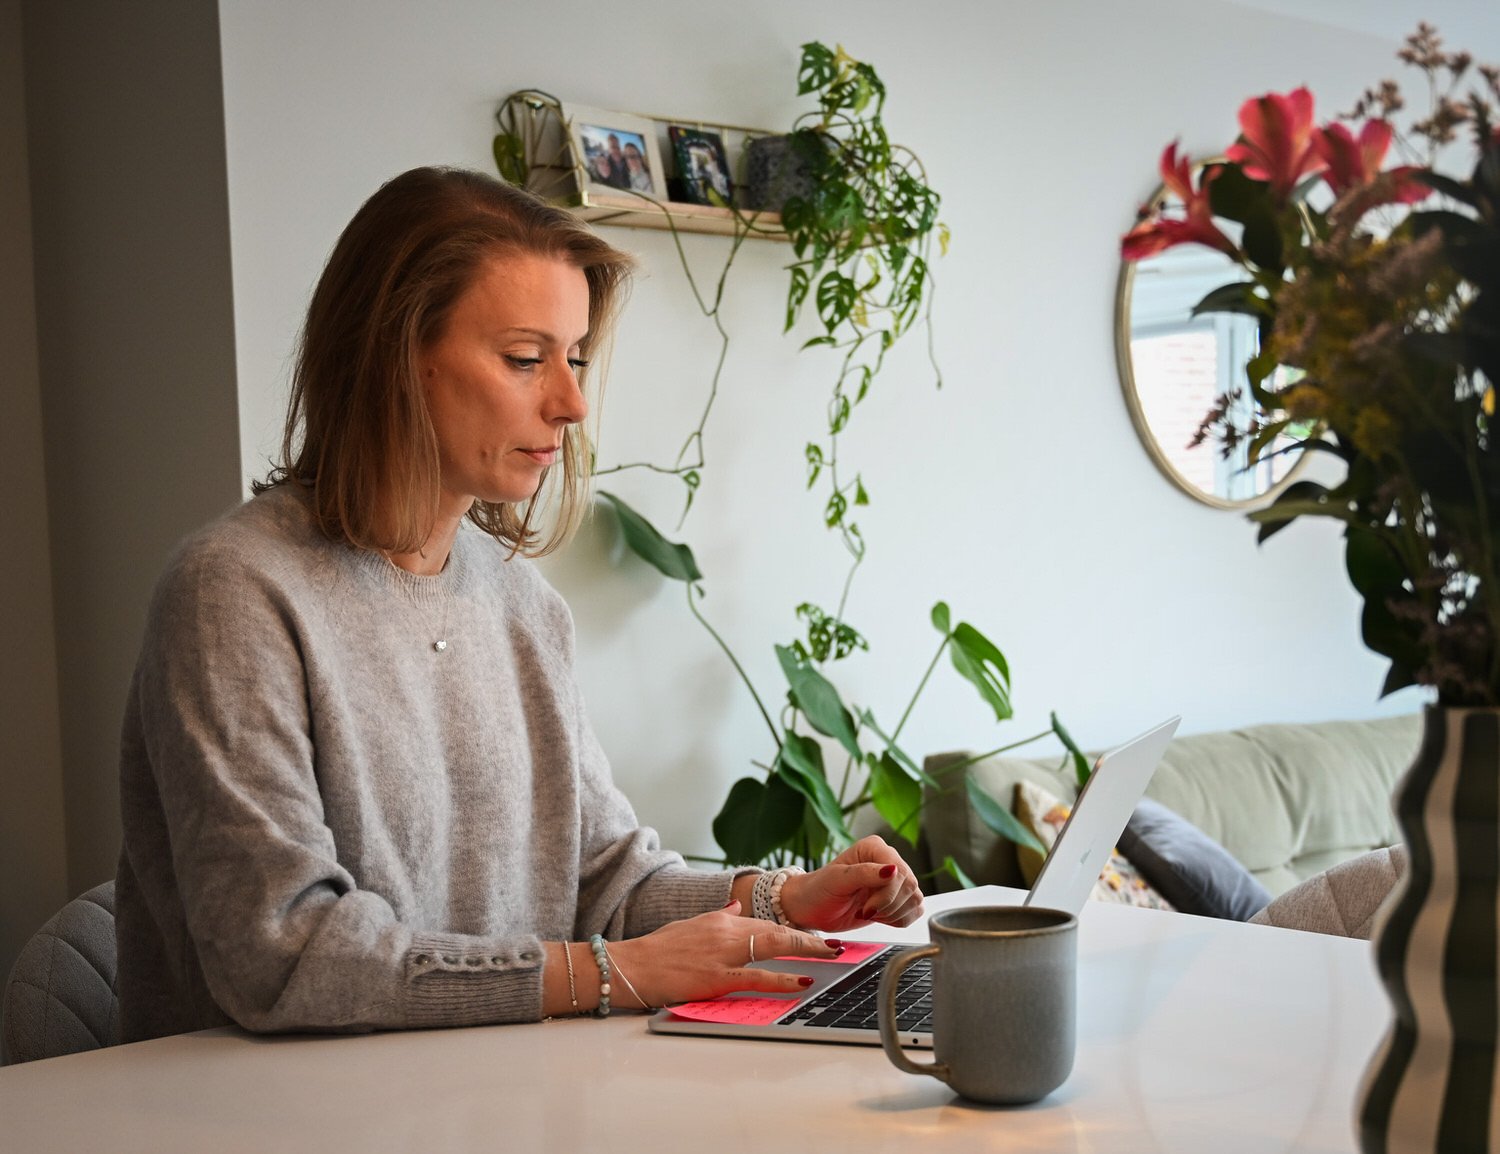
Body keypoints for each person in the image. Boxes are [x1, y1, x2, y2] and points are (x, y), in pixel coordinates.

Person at [115, 166, 923, 1042]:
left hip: (491, 1095)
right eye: (526, 359)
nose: (571, 401)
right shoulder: (235, 595)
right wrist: (610, 974)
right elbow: (287, 955)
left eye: (574, 358)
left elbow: (605, 882)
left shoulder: (521, 603)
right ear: (394, 356)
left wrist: (782, 896)